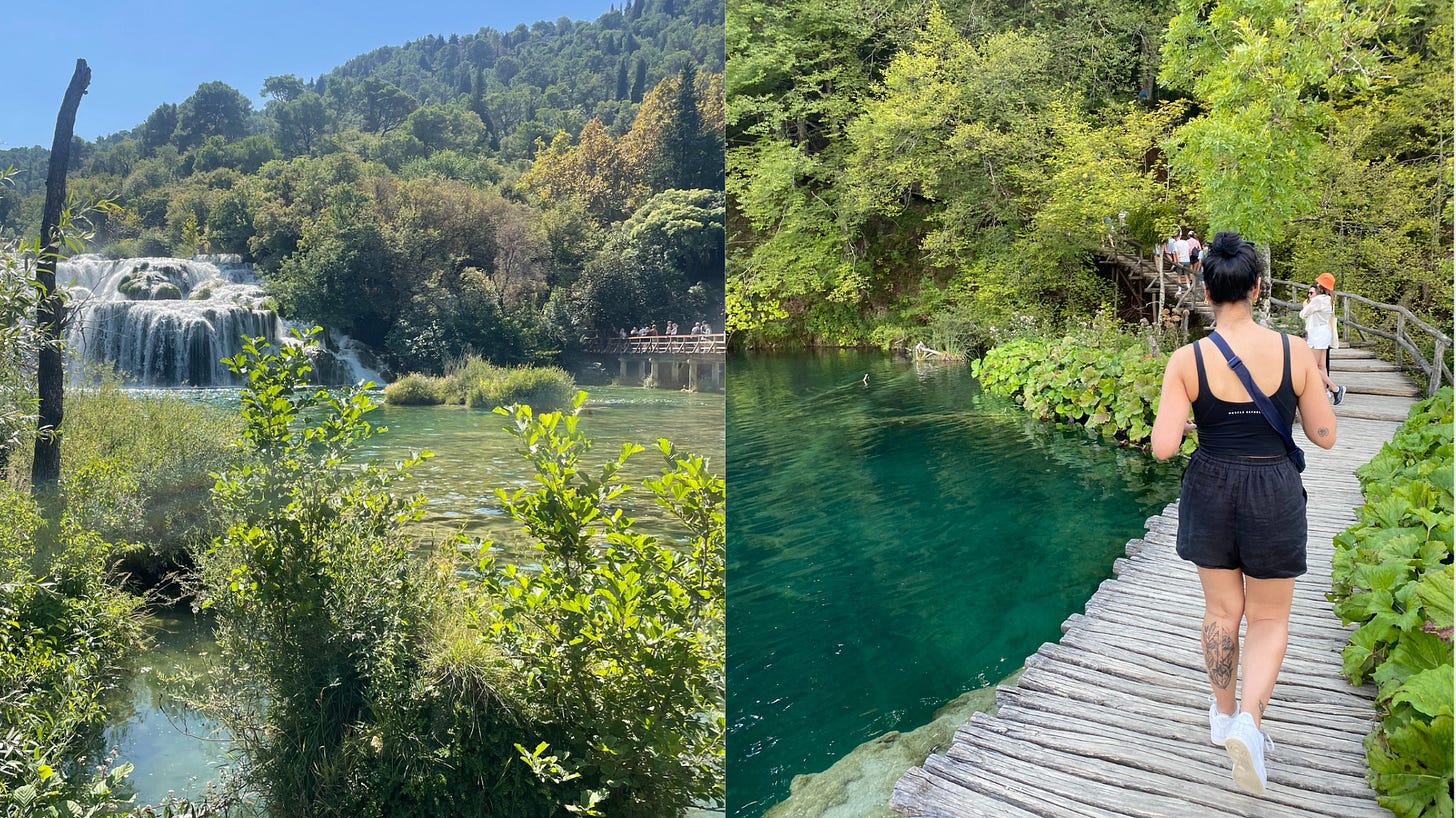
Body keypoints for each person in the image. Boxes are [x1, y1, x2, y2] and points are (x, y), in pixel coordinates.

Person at [1151, 231, 1338, 796]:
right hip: (1274, 489)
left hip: (1211, 485)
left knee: (1220, 610)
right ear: (1258, 288)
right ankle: (1251, 725)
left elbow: (1161, 447)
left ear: (1206, 290)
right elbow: (1325, 436)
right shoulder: (1295, 352)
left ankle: (1222, 714)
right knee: (1271, 618)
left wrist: (1192, 422)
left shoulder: (1187, 359)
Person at [1301, 273, 1345, 405]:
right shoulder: (1329, 299)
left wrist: (1305, 305)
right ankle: (1324, 391)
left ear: (1321, 285)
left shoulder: (1319, 300)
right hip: (1324, 332)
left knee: (1312, 366)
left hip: (1317, 334)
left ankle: (1335, 388)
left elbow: (1303, 314)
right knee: (1321, 365)